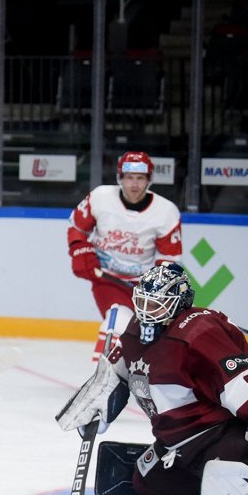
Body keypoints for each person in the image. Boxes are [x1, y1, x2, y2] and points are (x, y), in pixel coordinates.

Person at [56, 263, 248, 495]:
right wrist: (97, 400)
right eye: (143, 302)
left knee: (228, 473)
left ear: (179, 302)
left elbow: (241, 380)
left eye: (156, 304)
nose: (145, 311)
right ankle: (214, 488)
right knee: (147, 486)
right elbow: (114, 377)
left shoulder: (200, 331)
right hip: (174, 445)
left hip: (219, 436)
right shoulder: (133, 333)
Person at [68, 151, 182, 356]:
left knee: (150, 339)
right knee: (118, 321)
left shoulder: (166, 212)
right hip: (107, 280)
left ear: (149, 180)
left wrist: (158, 286)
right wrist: (80, 250)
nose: (134, 184)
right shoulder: (101, 197)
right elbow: (77, 227)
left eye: (140, 178)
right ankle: (102, 379)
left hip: (143, 285)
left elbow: (170, 258)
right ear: (120, 177)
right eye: (129, 178)